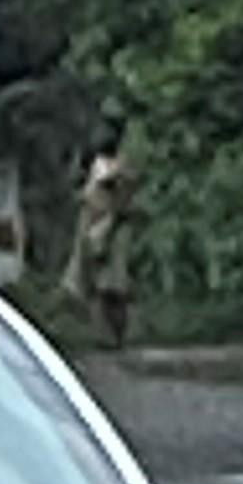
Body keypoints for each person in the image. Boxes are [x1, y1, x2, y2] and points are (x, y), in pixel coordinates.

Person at [68, 124, 138, 349]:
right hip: (94, 227)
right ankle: (104, 335)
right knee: (97, 287)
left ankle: (115, 336)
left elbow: (122, 199)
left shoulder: (120, 169)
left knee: (113, 287)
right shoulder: (97, 168)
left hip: (111, 230)